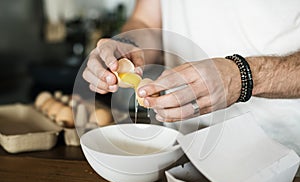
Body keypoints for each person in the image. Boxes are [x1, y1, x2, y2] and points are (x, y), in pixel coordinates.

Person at [83, 0, 300, 153]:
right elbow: (147, 21)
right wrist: (128, 45)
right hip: (185, 148)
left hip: (286, 156)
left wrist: (241, 77)